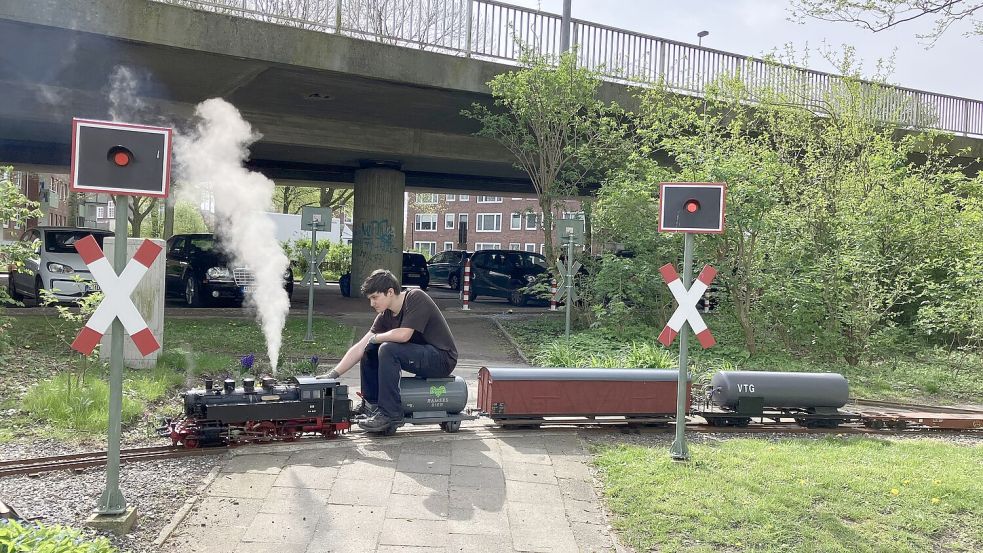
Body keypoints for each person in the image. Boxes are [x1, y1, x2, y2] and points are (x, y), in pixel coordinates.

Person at [317, 269, 458, 433]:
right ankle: (372, 406)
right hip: (422, 356)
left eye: (375, 297)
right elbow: (360, 347)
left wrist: (376, 338)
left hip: (442, 359)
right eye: (370, 299)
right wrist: (333, 374)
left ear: (390, 292)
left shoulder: (415, 297)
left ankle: (390, 414)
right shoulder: (385, 316)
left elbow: (404, 335)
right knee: (370, 349)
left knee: (387, 348)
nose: (372, 303)